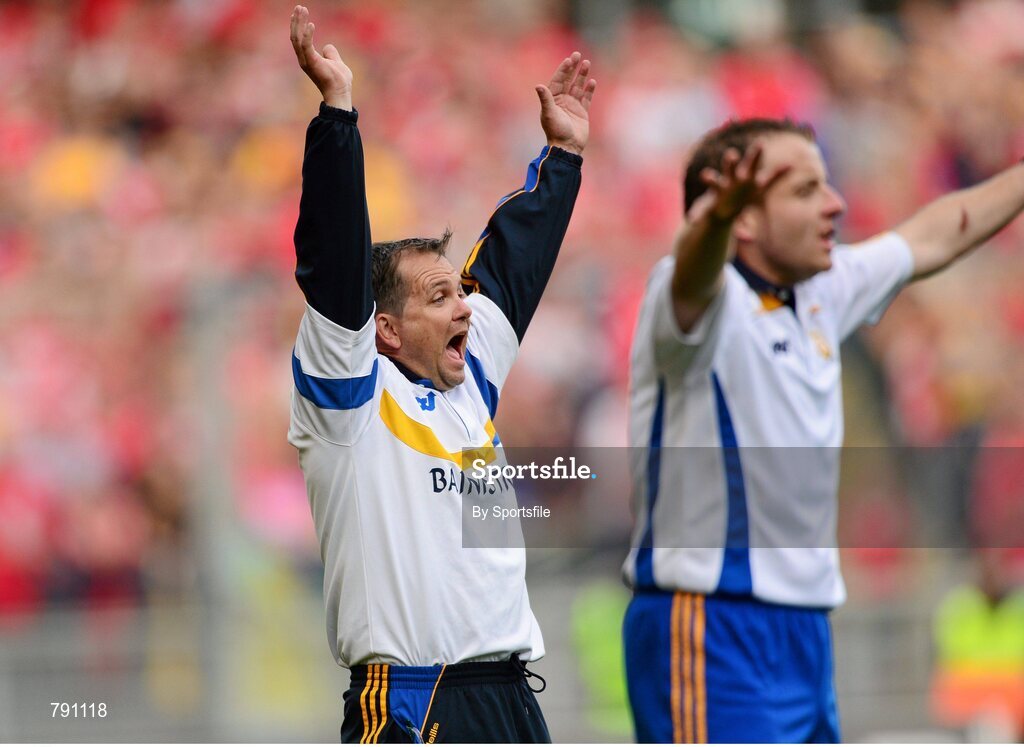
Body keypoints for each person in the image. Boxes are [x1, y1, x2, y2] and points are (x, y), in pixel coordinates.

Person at [621, 117, 1024, 742]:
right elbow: (693, 273)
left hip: (804, 629)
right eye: (806, 190)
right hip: (710, 624)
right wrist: (712, 224)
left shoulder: (820, 290)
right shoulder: (694, 298)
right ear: (743, 218)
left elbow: (941, 233)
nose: (834, 204)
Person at [286, 6, 595, 743]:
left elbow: (511, 267)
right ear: (383, 329)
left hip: (512, 695)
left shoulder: (468, 383)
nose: (465, 305)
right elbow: (333, 265)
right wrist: (337, 116)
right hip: (413, 702)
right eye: (438, 295)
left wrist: (565, 158)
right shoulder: (351, 397)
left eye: (459, 292)